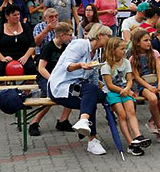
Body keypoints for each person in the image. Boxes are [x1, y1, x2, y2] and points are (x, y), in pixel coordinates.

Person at [46, 25, 113, 155]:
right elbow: (67, 65)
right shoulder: (80, 44)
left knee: (94, 94)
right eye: (108, 36)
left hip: (79, 88)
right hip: (61, 86)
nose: (110, 39)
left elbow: (93, 76)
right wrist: (80, 65)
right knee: (90, 95)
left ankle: (84, 123)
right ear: (100, 36)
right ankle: (91, 139)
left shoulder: (96, 52)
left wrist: (101, 88)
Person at [100, 37, 151, 156]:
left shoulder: (126, 62)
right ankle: (131, 143)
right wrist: (123, 90)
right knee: (122, 115)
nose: (124, 51)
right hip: (112, 92)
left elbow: (129, 80)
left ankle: (138, 136)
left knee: (131, 112)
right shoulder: (106, 66)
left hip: (125, 90)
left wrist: (127, 89)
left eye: (125, 48)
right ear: (113, 50)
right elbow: (109, 85)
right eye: (122, 49)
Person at [29, 22, 75, 137]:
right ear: (62, 35)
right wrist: (52, 79)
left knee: (72, 91)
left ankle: (63, 120)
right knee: (51, 95)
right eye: (69, 34)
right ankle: (34, 122)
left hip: (60, 77)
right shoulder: (48, 47)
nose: (71, 37)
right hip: (46, 77)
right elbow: (41, 68)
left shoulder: (65, 47)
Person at [129, 29, 160, 143]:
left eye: (149, 40)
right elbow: (136, 77)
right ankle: (159, 127)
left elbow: (159, 70)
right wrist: (149, 87)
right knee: (153, 98)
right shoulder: (132, 58)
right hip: (143, 85)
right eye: (145, 40)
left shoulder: (155, 53)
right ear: (137, 43)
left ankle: (151, 121)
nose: (149, 43)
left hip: (155, 81)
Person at [0, 6, 35, 76]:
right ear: (7, 16)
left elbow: (32, 45)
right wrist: (3, 58)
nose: (17, 17)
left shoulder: (26, 27)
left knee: (31, 68)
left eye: (18, 14)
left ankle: (27, 86)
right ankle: (1, 85)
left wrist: (25, 57)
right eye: (14, 15)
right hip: (5, 56)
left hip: (23, 56)